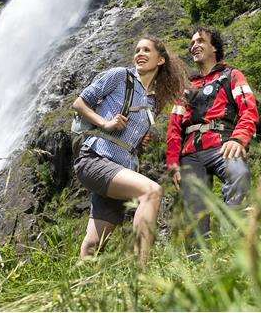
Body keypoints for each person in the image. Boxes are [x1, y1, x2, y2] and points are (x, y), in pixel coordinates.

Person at [73, 36, 186, 264]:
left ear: (161, 60)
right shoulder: (119, 76)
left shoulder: (154, 101)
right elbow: (79, 103)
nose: (139, 54)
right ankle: (142, 272)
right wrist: (105, 123)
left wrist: (139, 140)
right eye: (137, 50)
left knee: (94, 244)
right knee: (151, 192)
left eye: (146, 50)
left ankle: (78, 287)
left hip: (122, 168)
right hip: (95, 158)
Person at [166, 26, 259, 244]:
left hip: (223, 144)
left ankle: (234, 246)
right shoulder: (186, 87)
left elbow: (249, 109)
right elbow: (174, 127)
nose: (194, 46)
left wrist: (239, 138)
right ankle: (198, 263)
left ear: (214, 47)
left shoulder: (232, 75)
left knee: (239, 173)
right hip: (189, 154)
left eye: (200, 41)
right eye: (191, 44)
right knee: (193, 207)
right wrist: (173, 163)